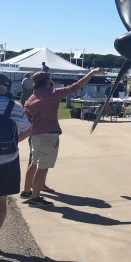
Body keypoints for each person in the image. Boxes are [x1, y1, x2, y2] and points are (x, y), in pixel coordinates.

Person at [22, 68, 104, 207]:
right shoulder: (52, 94)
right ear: (47, 81)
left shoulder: (31, 97)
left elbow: (27, 117)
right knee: (42, 167)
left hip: (35, 135)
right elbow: (77, 86)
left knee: (34, 163)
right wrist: (92, 73)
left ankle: (26, 191)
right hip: (48, 135)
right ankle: (35, 198)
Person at [0, 73, 32, 254]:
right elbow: (27, 130)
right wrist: (9, 144)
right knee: (0, 201)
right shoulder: (16, 107)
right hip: (8, 160)